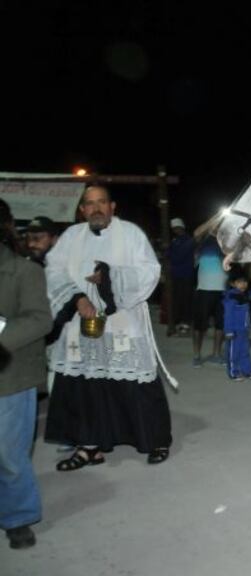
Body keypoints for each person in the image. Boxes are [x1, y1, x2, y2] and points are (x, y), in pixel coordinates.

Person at [43, 184, 174, 468]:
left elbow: (149, 271)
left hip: (123, 321)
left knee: (137, 383)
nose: (97, 208)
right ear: (82, 210)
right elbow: (53, 270)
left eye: (102, 202)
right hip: (82, 323)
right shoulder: (71, 236)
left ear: (112, 206)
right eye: (90, 204)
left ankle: (154, 440)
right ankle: (89, 446)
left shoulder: (131, 234)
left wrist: (111, 277)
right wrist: (77, 298)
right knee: (84, 384)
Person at [0, 199, 53, 549]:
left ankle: (18, 517)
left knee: (9, 454)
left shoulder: (24, 271)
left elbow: (40, 319)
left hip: (10, 377)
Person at [192, 235, 227, 367]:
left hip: (222, 291)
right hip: (204, 290)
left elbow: (230, 264)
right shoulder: (201, 246)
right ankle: (196, 355)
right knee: (199, 325)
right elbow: (194, 262)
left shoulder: (225, 247)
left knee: (220, 325)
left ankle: (216, 355)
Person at [222, 266, 251, 381]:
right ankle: (234, 372)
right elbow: (227, 315)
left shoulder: (244, 295)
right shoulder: (231, 297)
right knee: (234, 352)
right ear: (233, 284)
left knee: (245, 351)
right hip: (234, 330)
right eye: (239, 282)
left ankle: (247, 370)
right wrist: (228, 331)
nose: (243, 284)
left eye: (244, 282)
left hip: (244, 329)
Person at [165, 217, 195, 335]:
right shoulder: (174, 241)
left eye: (177, 228)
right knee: (176, 300)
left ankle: (186, 323)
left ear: (182, 227)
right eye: (174, 229)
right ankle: (177, 323)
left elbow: (177, 257)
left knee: (186, 300)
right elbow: (167, 254)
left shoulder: (188, 240)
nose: (176, 230)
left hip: (186, 275)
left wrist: (170, 253)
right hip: (176, 275)